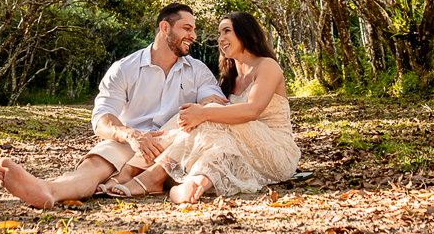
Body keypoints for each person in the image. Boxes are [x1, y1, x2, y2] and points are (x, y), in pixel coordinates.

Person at [0, 3, 225, 208]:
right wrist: (131, 135)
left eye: (193, 30)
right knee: (93, 167)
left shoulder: (198, 71)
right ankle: (48, 190)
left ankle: (139, 177)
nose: (193, 35)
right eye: (187, 28)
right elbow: (102, 117)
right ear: (165, 28)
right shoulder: (124, 68)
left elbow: (214, 103)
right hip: (131, 142)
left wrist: (203, 105)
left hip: (176, 145)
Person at [104, 11, 300, 203]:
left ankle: (144, 173)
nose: (220, 39)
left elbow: (252, 110)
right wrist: (201, 112)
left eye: (227, 31)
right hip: (243, 150)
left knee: (210, 114)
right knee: (214, 137)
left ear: (246, 33)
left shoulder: (267, 65)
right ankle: (194, 183)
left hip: (276, 150)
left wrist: (204, 112)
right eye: (219, 34)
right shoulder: (230, 76)